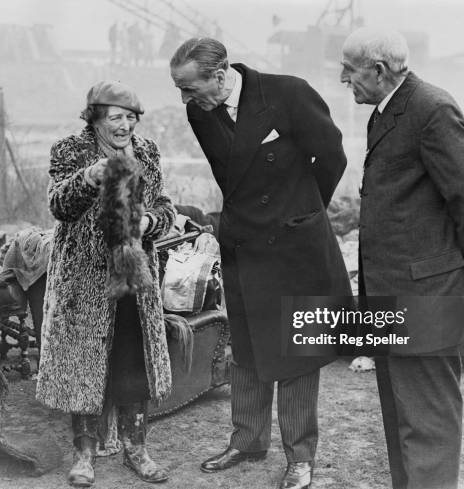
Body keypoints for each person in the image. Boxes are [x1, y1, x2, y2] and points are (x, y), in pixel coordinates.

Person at [170, 38, 352, 489]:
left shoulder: (288, 92)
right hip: (243, 241)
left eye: (190, 88)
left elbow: (332, 154)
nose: (184, 99)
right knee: (248, 346)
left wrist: (303, 212)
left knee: (295, 350)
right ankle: (247, 440)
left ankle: (300, 456)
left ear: (220, 74)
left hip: (293, 241)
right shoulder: (200, 111)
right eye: (180, 89)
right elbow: (230, 177)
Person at [340, 28, 464, 489]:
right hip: (393, 293)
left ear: (379, 70)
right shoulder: (387, 110)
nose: (343, 78)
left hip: (427, 292)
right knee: (402, 416)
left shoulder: (431, 108)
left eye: (349, 70)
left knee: (427, 421)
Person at [36, 81, 175, 486]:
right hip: (84, 280)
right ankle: (84, 452)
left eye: (132, 118)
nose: (126, 125)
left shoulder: (146, 151)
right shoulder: (70, 150)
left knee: (132, 359)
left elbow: (164, 205)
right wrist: (88, 178)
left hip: (133, 275)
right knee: (84, 363)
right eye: (117, 117)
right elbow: (59, 206)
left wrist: (150, 221)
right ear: (96, 117)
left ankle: (137, 448)